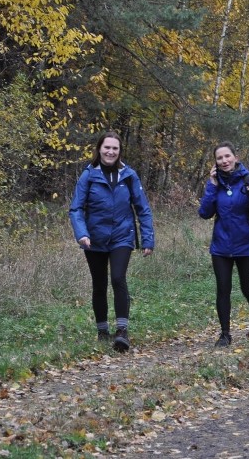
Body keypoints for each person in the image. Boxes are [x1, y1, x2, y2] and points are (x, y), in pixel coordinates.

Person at [69, 131, 155, 352]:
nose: (110, 152)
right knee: (99, 283)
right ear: (99, 149)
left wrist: (148, 239)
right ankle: (102, 330)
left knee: (118, 278)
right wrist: (82, 233)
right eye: (107, 147)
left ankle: (122, 331)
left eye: (115, 148)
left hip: (122, 236)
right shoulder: (88, 175)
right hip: (93, 239)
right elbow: (76, 208)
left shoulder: (129, 175)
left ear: (119, 151)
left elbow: (143, 209)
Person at [198, 142, 249, 348]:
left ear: (235, 157)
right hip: (221, 247)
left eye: (227, 156)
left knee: (248, 288)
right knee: (223, 289)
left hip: (247, 245)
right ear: (216, 162)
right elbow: (204, 213)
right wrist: (212, 186)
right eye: (219, 158)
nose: (224, 161)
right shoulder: (214, 184)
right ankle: (225, 334)